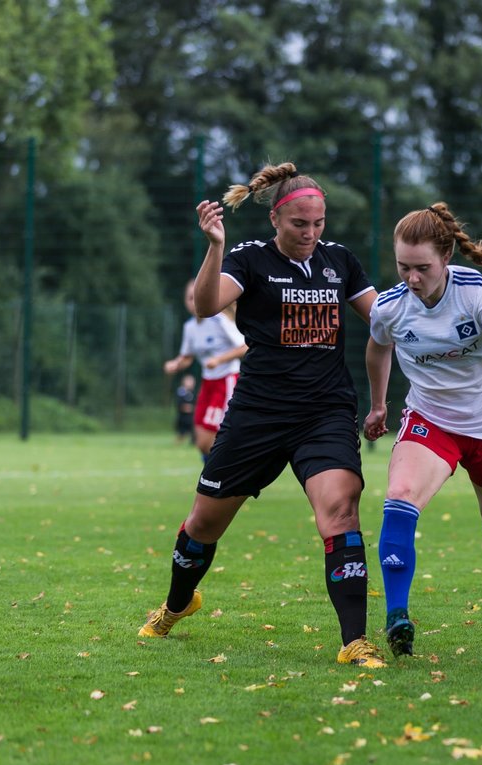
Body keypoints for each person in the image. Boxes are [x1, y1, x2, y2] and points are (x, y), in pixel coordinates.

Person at [138, 161, 386, 669]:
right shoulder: (250, 259)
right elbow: (207, 305)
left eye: (318, 224)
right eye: (300, 225)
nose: (311, 234)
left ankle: (355, 641)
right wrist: (214, 246)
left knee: (340, 511)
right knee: (203, 524)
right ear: (276, 219)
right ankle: (176, 604)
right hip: (258, 413)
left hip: (325, 412)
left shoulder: (340, 261)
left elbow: (385, 318)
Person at [362, 203, 482, 658]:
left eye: (422, 267)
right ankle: (397, 617)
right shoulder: (390, 307)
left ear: (446, 258)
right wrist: (380, 404)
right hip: (430, 421)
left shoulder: (476, 291)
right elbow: (376, 350)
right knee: (400, 496)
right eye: (403, 266)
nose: (412, 278)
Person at [163, 279, 247, 459]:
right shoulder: (190, 327)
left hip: (227, 381)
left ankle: (227, 476)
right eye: (189, 298)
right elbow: (187, 357)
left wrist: (219, 359)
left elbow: (245, 346)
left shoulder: (219, 320)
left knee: (208, 441)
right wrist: (176, 364)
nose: (193, 302)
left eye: (196, 297)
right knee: (201, 439)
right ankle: (220, 479)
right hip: (207, 383)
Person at [174, 374, 197, 444]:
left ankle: (193, 442)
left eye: (192, 381)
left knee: (195, 432)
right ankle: (176, 443)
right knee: (182, 433)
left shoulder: (193, 393)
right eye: (189, 381)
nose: (191, 383)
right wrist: (190, 408)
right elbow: (179, 405)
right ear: (184, 382)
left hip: (192, 418)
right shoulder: (181, 392)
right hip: (183, 418)